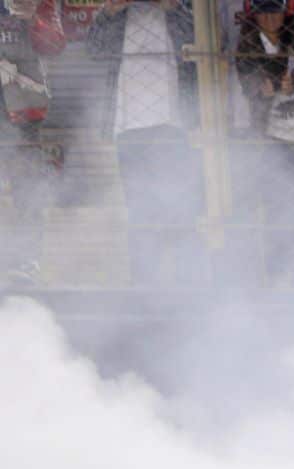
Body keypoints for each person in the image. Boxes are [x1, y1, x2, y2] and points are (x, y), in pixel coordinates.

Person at [87, 0, 203, 285]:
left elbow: (203, 41)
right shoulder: (117, 14)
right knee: (139, 209)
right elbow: (94, 49)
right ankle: (144, 282)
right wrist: (111, 10)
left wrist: (172, 7)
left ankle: (186, 280)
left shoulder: (181, 8)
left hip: (172, 123)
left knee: (179, 205)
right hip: (129, 125)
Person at [236, 0, 294, 284]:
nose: (270, 19)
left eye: (275, 11)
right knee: (275, 205)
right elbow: (247, 79)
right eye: (264, 12)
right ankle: (278, 269)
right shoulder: (248, 38)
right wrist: (263, 88)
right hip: (273, 135)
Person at [0, 0, 65, 285]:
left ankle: (25, 260)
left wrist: (31, 19)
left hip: (21, 110)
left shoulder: (38, 3)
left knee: (26, 185)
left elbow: (55, 45)